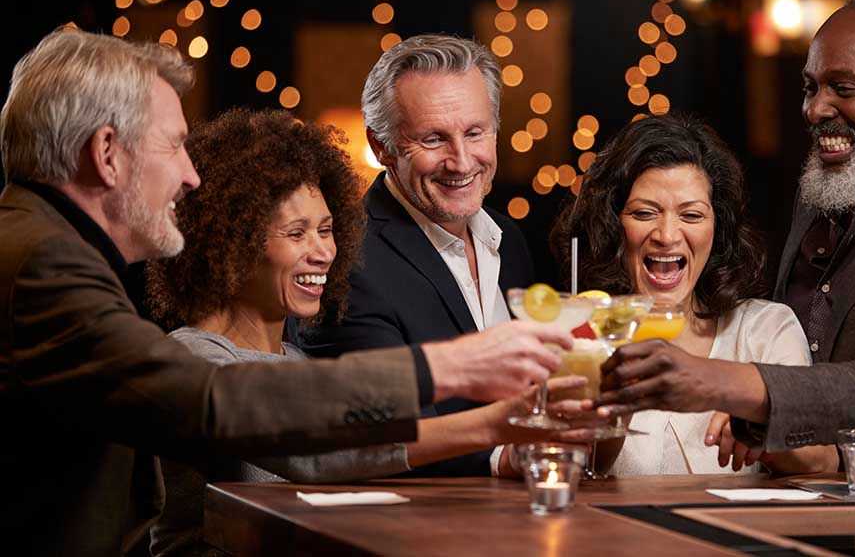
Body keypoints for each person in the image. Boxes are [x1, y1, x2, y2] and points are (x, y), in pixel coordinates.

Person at [0, 28, 573, 556]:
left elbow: (318, 444)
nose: (190, 175)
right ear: (106, 153)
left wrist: (492, 424)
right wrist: (446, 369)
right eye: (173, 146)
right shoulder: (43, 262)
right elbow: (218, 402)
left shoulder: (41, 245)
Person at [599, 0, 855, 472]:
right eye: (811, 87)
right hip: (792, 514)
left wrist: (722, 382)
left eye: (844, 88)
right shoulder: (824, 189)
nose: (815, 109)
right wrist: (761, 421)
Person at [146, 107, 584, 555]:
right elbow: (317, 448)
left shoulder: (298, 360)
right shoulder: (192, 358)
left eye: (327, 229)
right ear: (230, 246)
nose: (324, 252)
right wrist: (494, 423)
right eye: (297, 233)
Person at [297, 34, 534, 476]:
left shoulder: (510, 240)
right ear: (381, 145)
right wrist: (504, 457)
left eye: (475, 132)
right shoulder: (344, 260)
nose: (461, 161)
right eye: (433, 139)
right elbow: (375, 428)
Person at [550, 114, 835, 475]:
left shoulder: (764, 330)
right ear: (613, 225)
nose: (667, 235)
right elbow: (556, 469)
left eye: (691, 215)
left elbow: (824, 463)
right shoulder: (576, 334)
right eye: (644, 212)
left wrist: (761, 421)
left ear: (718, 228)